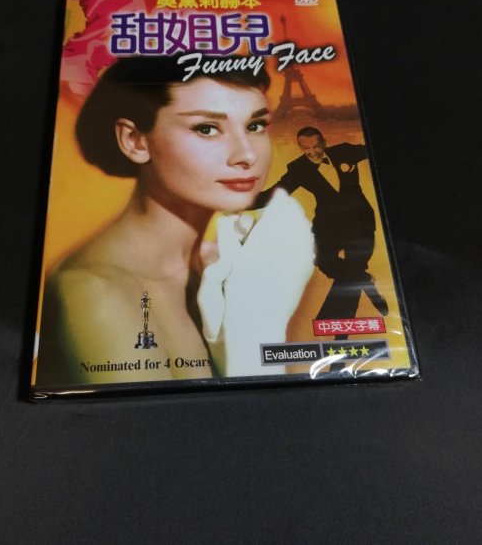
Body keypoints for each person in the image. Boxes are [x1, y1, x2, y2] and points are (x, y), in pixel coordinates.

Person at [36, 56, 313, 386]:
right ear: (135, 140)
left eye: (254, 126)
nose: (247, 155)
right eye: (206, 128)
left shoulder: (229, 269)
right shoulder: (97, 294)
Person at [254, 126, 388, 334]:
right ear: (300, 148)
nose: (312, 152)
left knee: (352, 266)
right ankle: (363, 280)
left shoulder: (344, 152)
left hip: (359, 221)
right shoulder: (299, 169)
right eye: (306, 148)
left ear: (324, 142)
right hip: (328, 224)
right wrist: (237, 200)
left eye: (316, 146)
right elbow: (274, 194)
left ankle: (336, 330)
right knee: (324, 261)